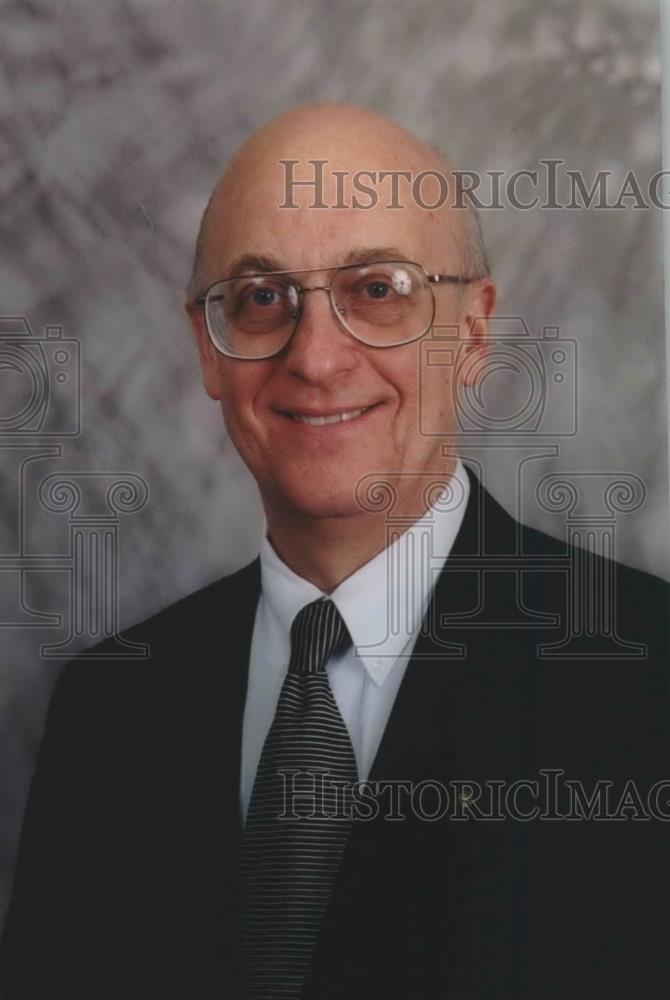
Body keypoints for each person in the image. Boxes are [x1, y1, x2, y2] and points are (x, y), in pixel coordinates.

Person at [1, 104, 668, 1000]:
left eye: (378, 289)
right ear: (208, 346)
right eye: (261, 297)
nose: (315, 358)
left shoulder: (647, 683)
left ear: (471, 333)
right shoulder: (109, 711)